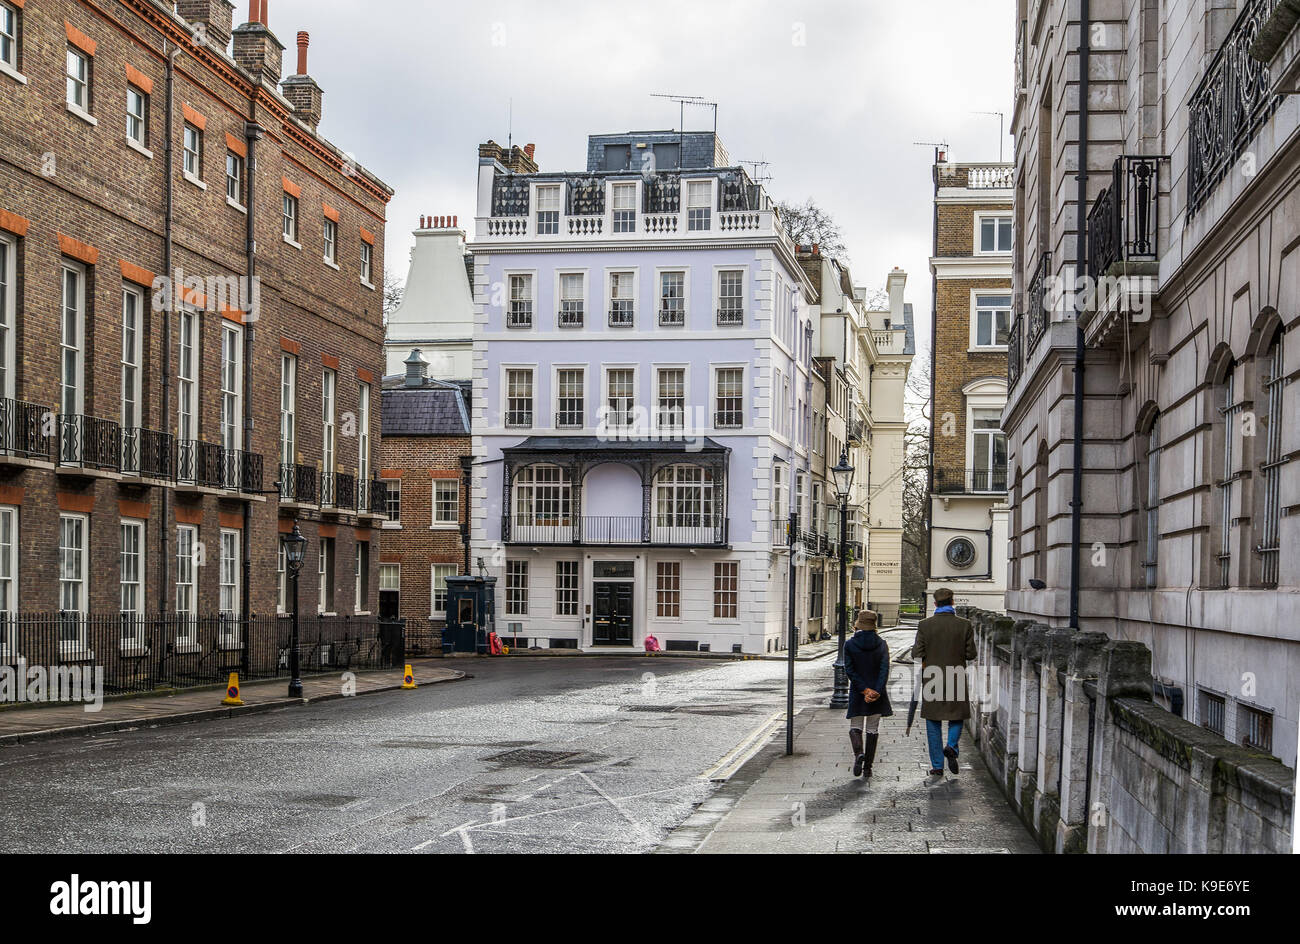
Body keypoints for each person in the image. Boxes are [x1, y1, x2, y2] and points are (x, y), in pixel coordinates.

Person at [912, 587, 976, 777]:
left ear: (934, 604)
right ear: (953, 602)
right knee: (957, 716)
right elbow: (971, 654)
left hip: (932, 678)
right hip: (956, 675)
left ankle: (937, 766)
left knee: (933, 721)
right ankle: (951, 746)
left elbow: (917, 653)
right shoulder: (965, 625)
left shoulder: (925, 625)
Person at [843, 609, 892, 778]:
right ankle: (868, 768)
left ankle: (858, 755)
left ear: (858, 624)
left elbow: (849, 670)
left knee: (855, 726)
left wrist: (864, 690)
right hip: (877, 695)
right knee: (872, 729)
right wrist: (876, 691)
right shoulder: (882, 643)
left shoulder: (849, 644)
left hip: (858, 692)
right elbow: (884, 669)